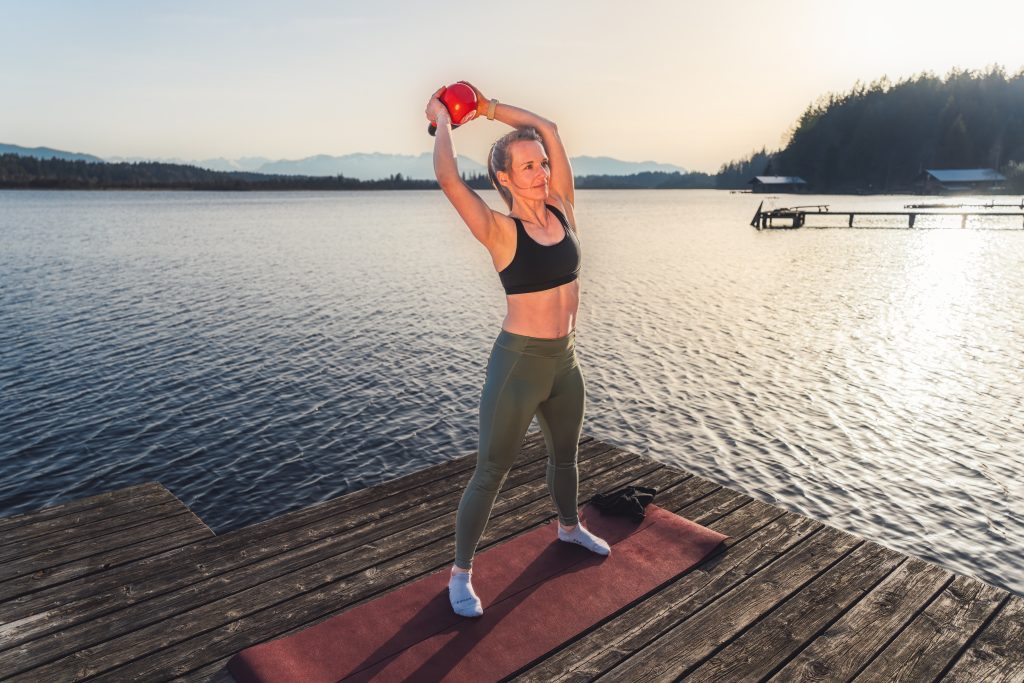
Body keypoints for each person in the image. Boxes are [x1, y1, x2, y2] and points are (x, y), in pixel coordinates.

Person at [424, 82, 611, 618]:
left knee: (566, 458)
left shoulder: (564, 209)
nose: (541, 171)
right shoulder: (500, 231)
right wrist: (443, 120)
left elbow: (549, 128)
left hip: (565, 363)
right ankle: (460, 573)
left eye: (541, 165)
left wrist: (485, 109)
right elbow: (447, 178)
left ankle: (570, 527)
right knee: (492, 469)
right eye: (527, 166)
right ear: (504, 179)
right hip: (519, 365)